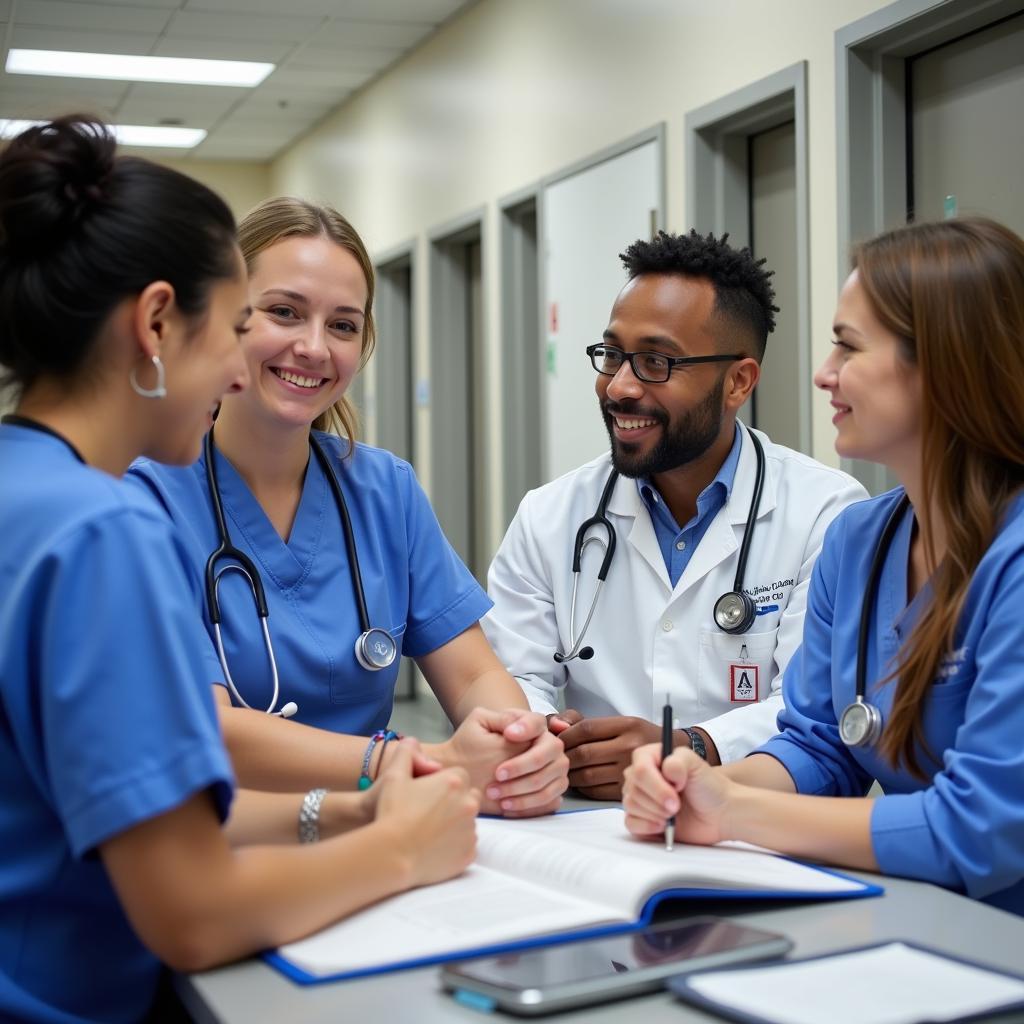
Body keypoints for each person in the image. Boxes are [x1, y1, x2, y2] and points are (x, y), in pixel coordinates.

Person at [0, 117, 480, 1023]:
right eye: (237, 327)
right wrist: (403, 851)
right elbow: (192, 913)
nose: (239, 368)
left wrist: (350, 812)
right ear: (153, 323)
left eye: (341, 325)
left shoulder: (24, 491)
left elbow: (154, 813)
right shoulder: (103, 530)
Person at [623, 217, 1024, 917]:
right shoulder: (859, 541)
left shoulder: (1012, 560)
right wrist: (695, 783)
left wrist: (734, 814)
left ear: (946, 362)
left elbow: (981, 828)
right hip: (930, 920)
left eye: (848, 346)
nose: (822, 374)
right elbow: (819, 746)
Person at [128, 197, 567, 816]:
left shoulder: (384, 489)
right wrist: (412, 763)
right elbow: (206, 729)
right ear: (226, 318)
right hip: (232, 846)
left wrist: (518, 743)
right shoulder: (148, 497)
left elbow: (472, 676)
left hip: (381, 836)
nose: (313, 347)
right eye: (284, 312)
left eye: (343, 325)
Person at [484, 230, 866, 797]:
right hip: (589, 829)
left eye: (656, 362)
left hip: (757, 831)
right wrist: (542, 732)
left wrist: (689, 748)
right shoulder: (551, 515)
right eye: (612, 354)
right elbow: (511, 675)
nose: (619, 387)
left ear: (738, 381)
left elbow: (815, 710)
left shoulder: (827, 514)